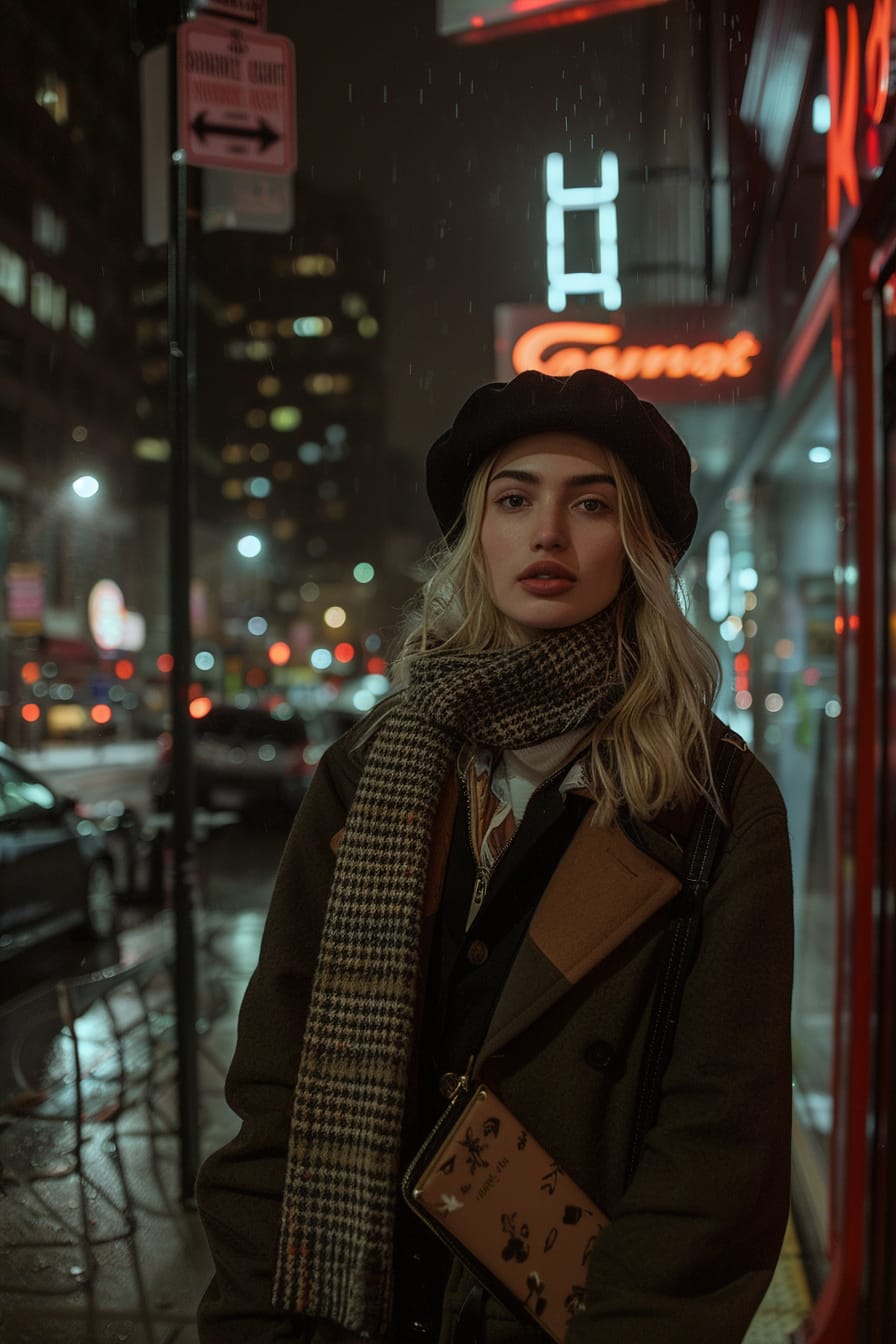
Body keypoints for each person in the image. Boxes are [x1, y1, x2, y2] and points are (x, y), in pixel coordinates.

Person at [195, 368, 793, 1344]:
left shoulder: (714, 803)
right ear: (476, 535)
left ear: (636, 546)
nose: (546, 533)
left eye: (589, 503)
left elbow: (717, 1147)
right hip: (354, 1303)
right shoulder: (369, 769)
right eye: (513, 499)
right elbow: (277, 1087)